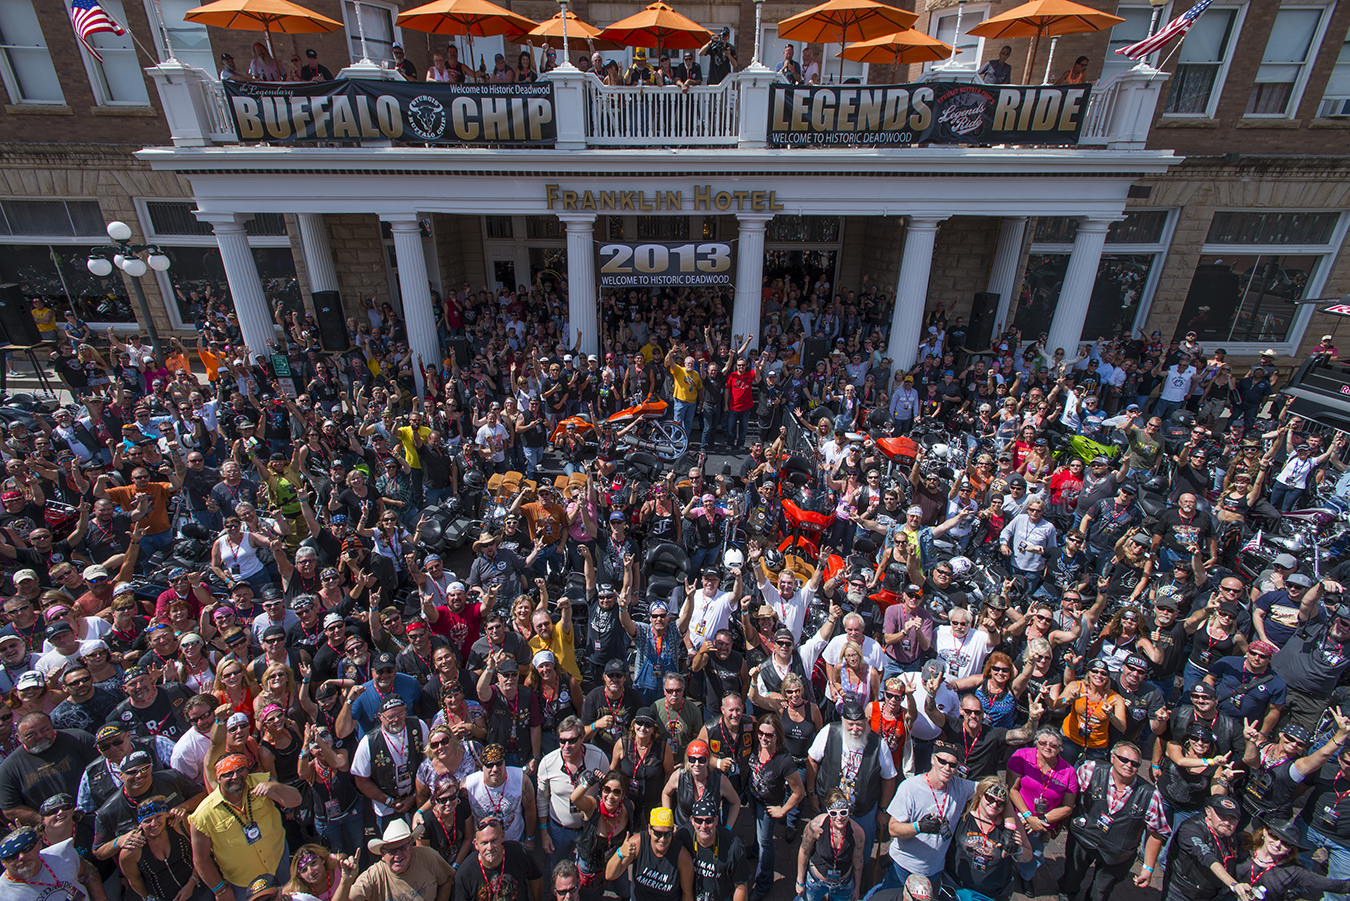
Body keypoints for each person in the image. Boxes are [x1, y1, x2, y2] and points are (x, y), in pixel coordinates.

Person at [1058, 740, 1169, 901]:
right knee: (1072, 874)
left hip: (1118, 853)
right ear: (1113, 758)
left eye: (1135, 763)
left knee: (1100, 892)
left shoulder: (1150, 795)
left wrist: (1148, 867)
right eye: (1124, 760)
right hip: (1084, 837)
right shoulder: (1091, 769)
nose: (1129, 765)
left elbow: (1156, 832)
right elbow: (1069, 796)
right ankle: (1067, 893)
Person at [187, 753, 303, 901]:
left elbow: (296, 800)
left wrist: (276, 787)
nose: (235, 776)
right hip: (244, 884)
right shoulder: (203, 815)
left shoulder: (262, 782)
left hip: (279, 863)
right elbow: (200, 860)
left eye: (240, 770)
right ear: (218, 778)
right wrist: (220, 890)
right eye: (228, 774)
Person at [881, 738, 974, 887]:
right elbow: (892, 828)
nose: (946, 768)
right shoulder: (910, 788)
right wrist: (919, 827)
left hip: (933, 871)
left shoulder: (960, 786)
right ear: (932, 760)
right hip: (903, 868)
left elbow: (992, 789)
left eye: (952, 765)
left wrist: (1010, 823)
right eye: (942, 761)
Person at [354, 819, 456, 901]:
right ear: (382, 854)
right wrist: (345, 881)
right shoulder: (374, 876)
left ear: (411, 844)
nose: (398, 855)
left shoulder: (428, 856)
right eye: (392, 851)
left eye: (403, 848)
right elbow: (349, 898)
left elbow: (447, 879)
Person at [605, 807, 693, 901]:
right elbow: (610, 875)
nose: (662, 839)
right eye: (658, 834)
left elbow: (687, 894)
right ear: (649, 830)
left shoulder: (681, 857)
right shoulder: (638, 844)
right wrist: (620, 853)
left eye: (667, 834)